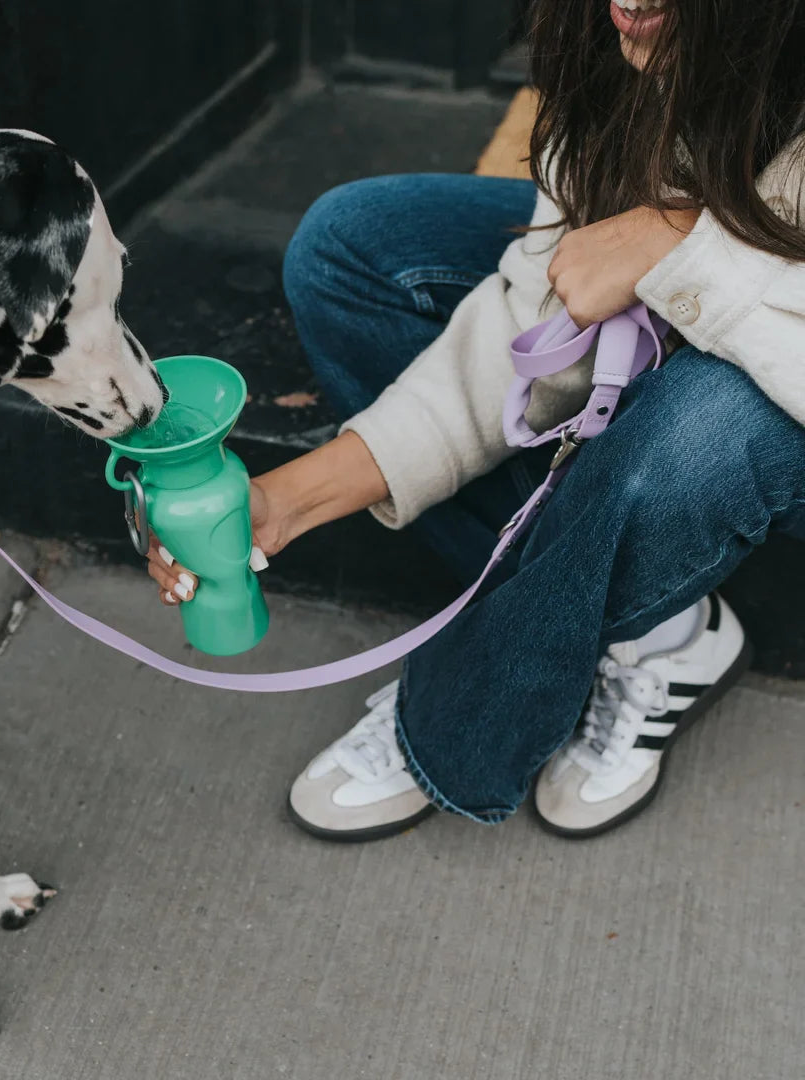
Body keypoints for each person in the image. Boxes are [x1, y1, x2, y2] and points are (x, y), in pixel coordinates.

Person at [147, 0, 805, 841]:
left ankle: (457, 718)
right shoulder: (618, 40)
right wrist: (292, 500)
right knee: (351, 250)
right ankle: (660, 629)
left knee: (688, 437)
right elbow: (537, 330)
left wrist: (682, 247)